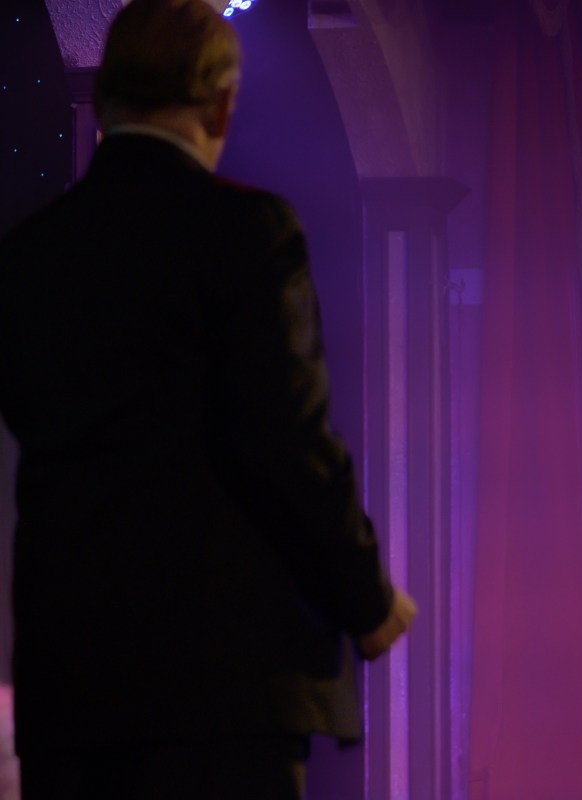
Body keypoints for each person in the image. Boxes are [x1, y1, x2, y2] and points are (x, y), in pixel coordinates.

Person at [0, 1, 416, 798]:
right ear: (223, 102)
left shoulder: (27, 256)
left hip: (73, 688)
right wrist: (365, 599)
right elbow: (286, 441)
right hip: (223, 689)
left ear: (101, 101)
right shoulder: (247, 231)